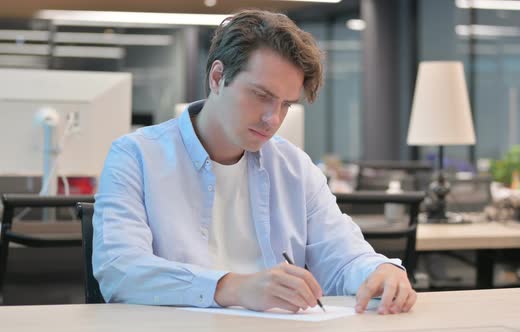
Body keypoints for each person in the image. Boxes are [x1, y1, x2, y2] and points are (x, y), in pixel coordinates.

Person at [93, 9, 417, 315]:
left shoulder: (294, 167)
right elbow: (120, 270)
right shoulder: (135, 156)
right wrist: (234, 287)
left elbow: (344, 257)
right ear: (218, 77)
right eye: (261, 95)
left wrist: (381, 270)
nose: (272, 118)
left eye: (285, 104)